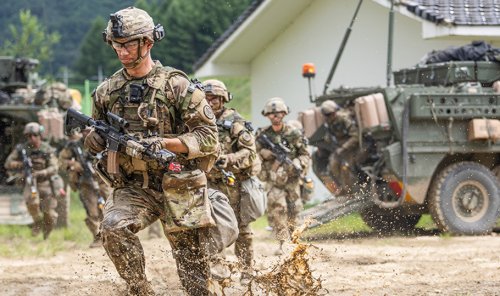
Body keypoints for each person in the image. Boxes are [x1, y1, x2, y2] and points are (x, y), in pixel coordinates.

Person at [83, 7, 219, 296]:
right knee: (112, 228)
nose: (121, 51)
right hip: (134, 188)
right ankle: (140, 289)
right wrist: (94, 139)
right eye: (116, 45)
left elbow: (209, 137)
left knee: (197, 281)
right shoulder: (107, 92)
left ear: (148, 42)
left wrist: (165, 143)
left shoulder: (177, 86)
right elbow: (94, 132)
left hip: (179, 185)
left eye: (128, 44)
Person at [202, 79, 261, 284]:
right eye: (206, 98)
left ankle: (247, 270)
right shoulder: (197, 122)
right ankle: (219, 269)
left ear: (223, 99)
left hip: (233, 183)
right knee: (212, 226)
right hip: (209, 183)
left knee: (242, 228)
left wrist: (230, 159)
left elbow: (250, 153)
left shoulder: (235, 122)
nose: (210, 102)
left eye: (214, 99)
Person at [255, 98, 310, 255]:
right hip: (273, 180)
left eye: (278, 113)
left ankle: (295, 242)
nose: (275, 116)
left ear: (284, 113)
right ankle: (282, 244)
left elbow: (305, 154)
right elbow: (254, 155)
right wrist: (265, 155)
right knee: (278, 211)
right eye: (271, 114)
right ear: (267, 116)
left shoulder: (293, 133)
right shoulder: (262, 135)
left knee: (295, 211)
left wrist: (299, 163)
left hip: (292, 179)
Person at [4, 122, 59, 239]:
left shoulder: (47, 149)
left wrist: (42, 172)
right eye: (29, 136)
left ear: (40, 135)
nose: (32, 138)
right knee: (32, 203)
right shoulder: (22, 149)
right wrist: (21, 165)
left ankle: (46, 233)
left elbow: (54, 167)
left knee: (50, 214)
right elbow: (8, 163)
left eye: (34, 135)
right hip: (30, 181)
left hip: (45, 182)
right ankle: (37, 222)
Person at [58, 128, 111, 247]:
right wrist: (72, 164)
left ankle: (111, 238)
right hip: (86, 183)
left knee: (108, 210)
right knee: (92, 212)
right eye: (83, 131)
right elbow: (61, 161)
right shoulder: (75, 146)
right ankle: (98, 238)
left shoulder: (102, 141)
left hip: (103, 182)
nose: (86, 134)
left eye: (88, 131)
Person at [320, 100, 360, 196]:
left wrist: (343, 148)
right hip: (339, 148)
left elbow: (356, 136)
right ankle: (344, 188)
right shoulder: (329, 121)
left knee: (345, 168)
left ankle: (352, 191)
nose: (327, 117)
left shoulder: (344, 119)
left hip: (351, 147)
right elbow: (330, 135)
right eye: (326, 115)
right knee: (333, 166)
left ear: (333, 113)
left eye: (329, 115)